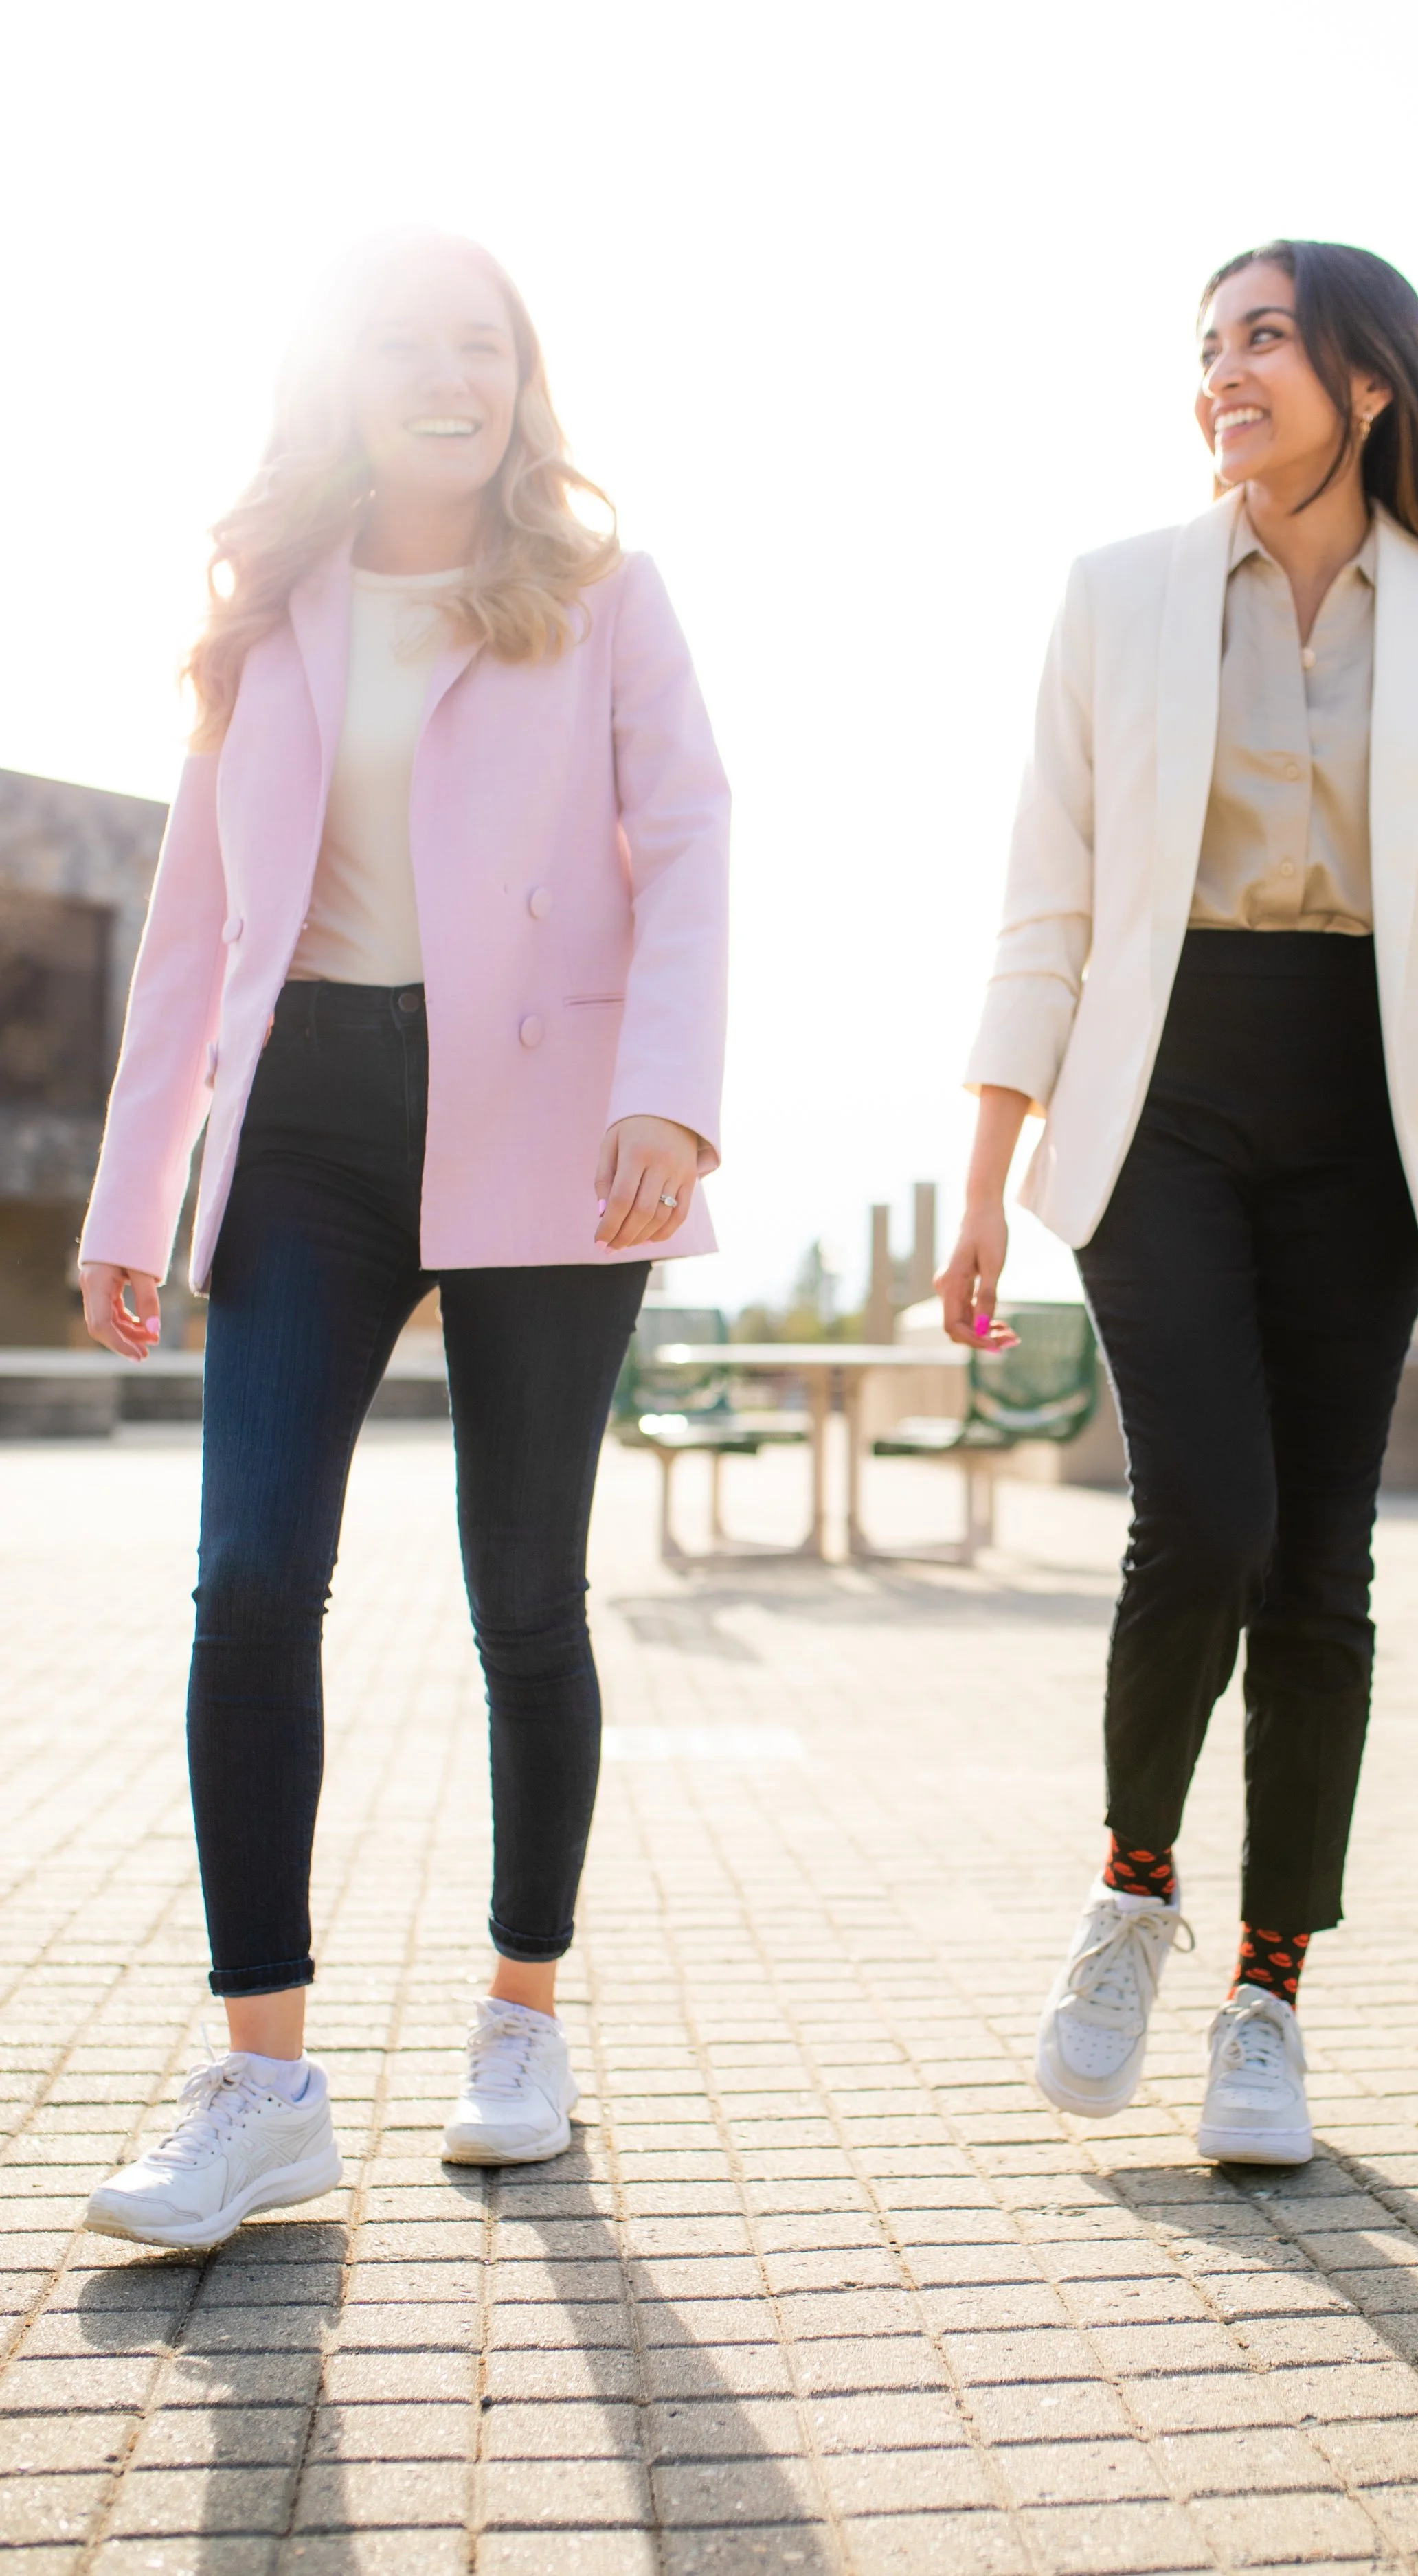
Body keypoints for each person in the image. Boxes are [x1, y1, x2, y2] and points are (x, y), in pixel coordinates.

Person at [76, 232, 728, 2246]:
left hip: (548, 1113)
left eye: (486, 346)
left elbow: (695, 828)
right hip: (309, 1133)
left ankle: (520, 2011)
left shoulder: (605, 598)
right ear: (338, 383)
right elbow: (196, 920)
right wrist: (136, 1187)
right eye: (408, 345)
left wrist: (671, 1090)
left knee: (522, 1588)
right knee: (251, 1571)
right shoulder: (270, 612)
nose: (452, 376)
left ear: (523, 382)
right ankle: (263, 2081)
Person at [941, 239, 1418, 2165]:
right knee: (1205, 1514)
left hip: (1361, 1116)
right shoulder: (1116, 596)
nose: (1222, 374)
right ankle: (1130, 1887)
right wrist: (986, 1179)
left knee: (1320, 1561)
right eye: (1206, 347)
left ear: (1365, 383)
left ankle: (1265, 1996)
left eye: (1262, 342)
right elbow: (1044, 902)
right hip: (1157, 1096)